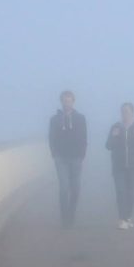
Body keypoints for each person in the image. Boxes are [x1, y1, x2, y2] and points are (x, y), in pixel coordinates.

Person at [48, 90, 87, 227]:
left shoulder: (80, 118)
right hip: (61, 158)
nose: (67, 103)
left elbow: (84, 137)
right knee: (64, 187)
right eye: (64, 100)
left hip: (76, 157)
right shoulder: (54, 119)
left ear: (73, 102)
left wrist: (82, 154)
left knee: (75, 188)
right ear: (61, 102)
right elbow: (51, 137)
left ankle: (71, 213)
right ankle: (65, 218)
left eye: (69, 100)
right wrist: (54, 153)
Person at [106, 102, 134, 229]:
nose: (125, 113)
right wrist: (113, 136)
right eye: (123, 111)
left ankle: (128, 216)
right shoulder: (116, 127)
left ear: (132, 113)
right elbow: (108, 146)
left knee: (131, 193)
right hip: (119, 166)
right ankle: (122, 219)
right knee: (120, 191)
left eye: (127, 111)